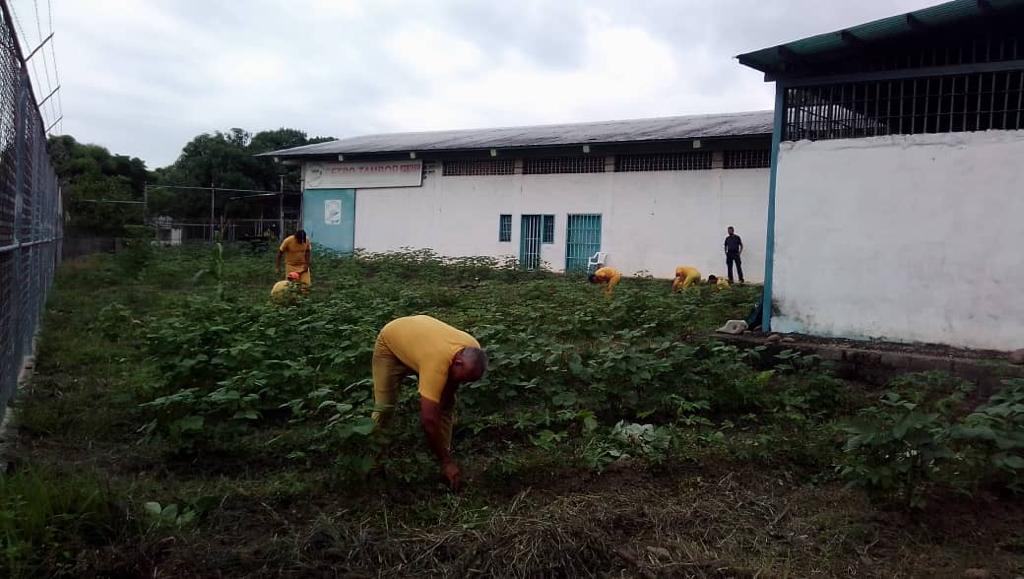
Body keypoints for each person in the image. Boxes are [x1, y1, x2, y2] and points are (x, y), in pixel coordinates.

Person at [371, 315, 488, 490]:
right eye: (462, 379)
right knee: (384, 407)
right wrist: (446, 462)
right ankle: (371, 462)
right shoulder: (436, 362)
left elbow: (447, 397)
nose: (460, 384)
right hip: (391, 342)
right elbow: (428, 421)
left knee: (447, 403)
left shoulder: (473, 349)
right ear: (457, 362)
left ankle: (442, 459)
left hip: (420, 342)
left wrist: (447, 395)